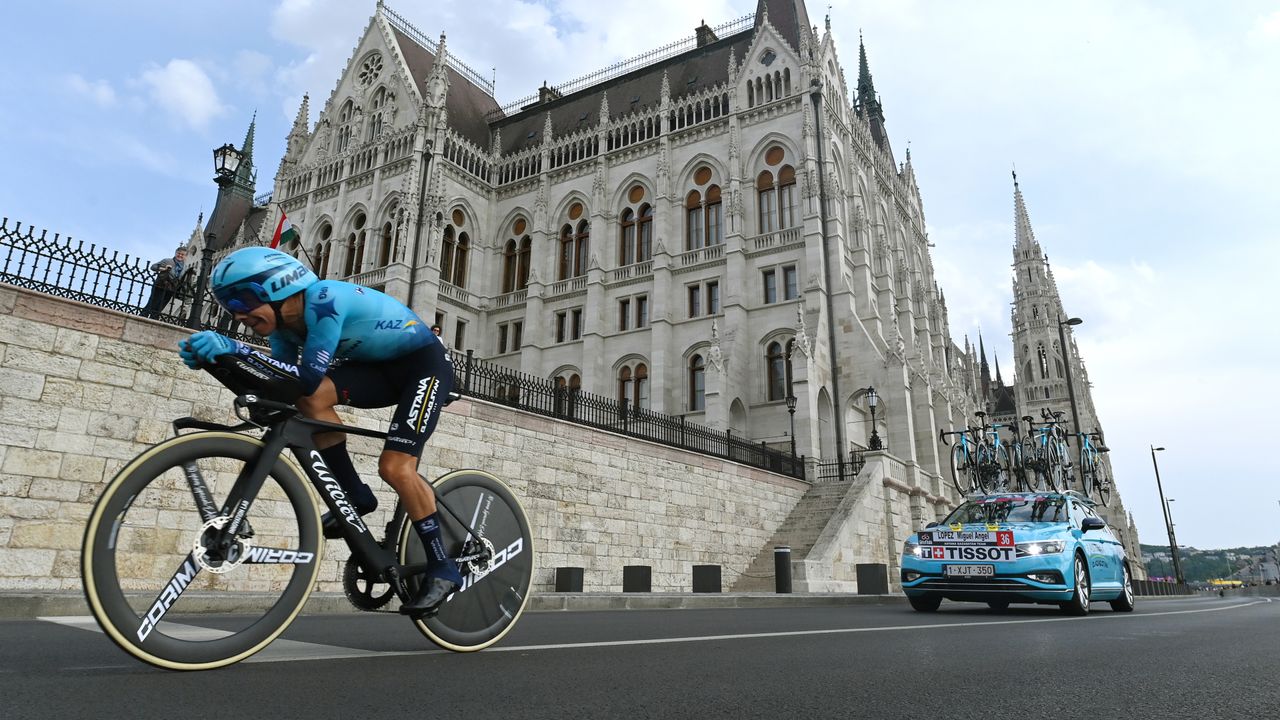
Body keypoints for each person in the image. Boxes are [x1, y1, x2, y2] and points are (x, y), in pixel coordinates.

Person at [176, 246, 461, 615]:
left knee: (395, 467)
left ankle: (443, 566)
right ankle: (355, 495)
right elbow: (284, 386)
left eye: (243, 299)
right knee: (310, 402)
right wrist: (217, 360)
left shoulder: (323, 299)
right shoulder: (285, 330)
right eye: (230, 307)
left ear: (279, 286)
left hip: (424, 367)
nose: (238, 314)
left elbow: (307, 375)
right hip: (380, 370)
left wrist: (236, 348)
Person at [142, 246, 186, 319]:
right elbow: (153, 267)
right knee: (152, 303)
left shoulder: (185, 267)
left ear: (185, 256)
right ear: (175, 253)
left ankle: (153, 319)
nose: (180, 256)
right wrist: (164, 269)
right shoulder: (167, 261)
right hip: (161, 285)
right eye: (179, 253)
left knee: (161, 306)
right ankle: (143, 317)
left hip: (171, 289)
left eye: (182, 254)